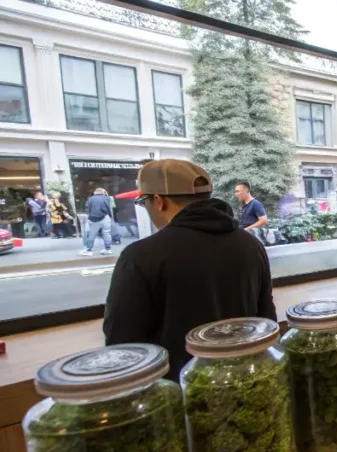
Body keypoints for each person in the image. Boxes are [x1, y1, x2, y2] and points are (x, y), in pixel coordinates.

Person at [104, 159, 276, 380]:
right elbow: (267, 319)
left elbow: (122, 342)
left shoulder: (141, 256)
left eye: (143, 201)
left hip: (180, 392)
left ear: (158, 201)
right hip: (245, 381)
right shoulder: (251, 245)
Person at [80, 188, 113, 256]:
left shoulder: (91, 199)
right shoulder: (107, 198)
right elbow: (109, 208)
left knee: (91, 235)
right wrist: (110, 216)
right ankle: (108, 249)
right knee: (106, 233)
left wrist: (90, 218)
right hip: (106, 218)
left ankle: (89, 250)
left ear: (95, 192)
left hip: (94, 219)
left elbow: (89, 208)